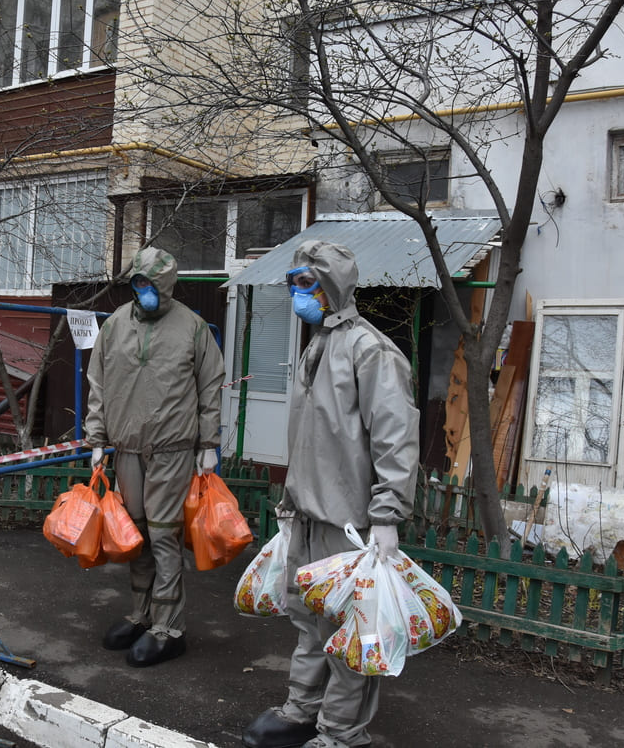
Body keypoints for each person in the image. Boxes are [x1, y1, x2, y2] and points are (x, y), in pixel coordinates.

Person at [243, 241, 420, 748]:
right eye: (293, 283)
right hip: (309, 515)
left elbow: (395, 439)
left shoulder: (370, 352)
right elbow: (312, 437)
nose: (297, 294)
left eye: (305, 283)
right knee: (308, 620)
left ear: (331, 285)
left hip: (351, 524)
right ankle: (303, 709)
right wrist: (290, 502)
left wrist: (386, 516)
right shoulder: (317, 344)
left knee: (349, 632)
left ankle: (342, 734)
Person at [85, 245, 225, 667]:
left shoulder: (193, 328)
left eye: (150, 284)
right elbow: (98, 382)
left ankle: (169, 627)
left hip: (173, 450)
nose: (143, 290)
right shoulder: (114, 327)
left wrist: (208, 445)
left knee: (164, 537)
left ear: (166, 287)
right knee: (137, 535)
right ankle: (141, 615)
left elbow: (211, 388)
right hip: (127, 449)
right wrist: (97, 439)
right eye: (137, 283)